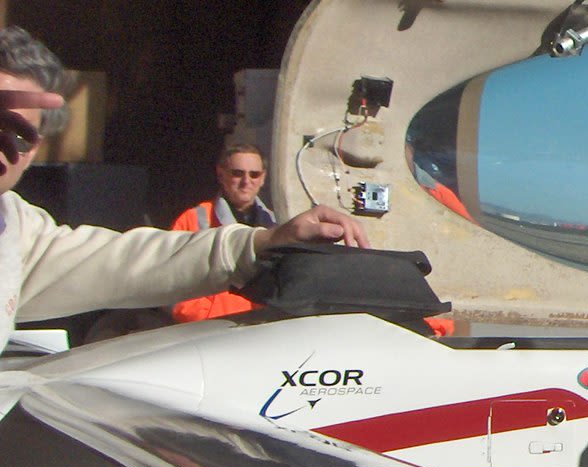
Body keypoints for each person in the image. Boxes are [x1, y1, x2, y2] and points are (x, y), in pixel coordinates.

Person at [0, 27, 365, 344]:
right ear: (220, 174)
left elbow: (133, 263)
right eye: (238, 173)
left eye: (19, 133)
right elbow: (182, 307)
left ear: (32, 153)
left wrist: (266, 242)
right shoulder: (195, 216)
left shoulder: (18, 235)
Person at [168, 142, 278, 321]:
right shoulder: (193, 219)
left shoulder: (276, 224)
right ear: (221, 174)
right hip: (209, 330)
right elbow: (171, 280)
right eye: (237, 173)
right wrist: (204, 318)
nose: (246, 182)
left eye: (254, 175)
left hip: (259, 330)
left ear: (263, 178)